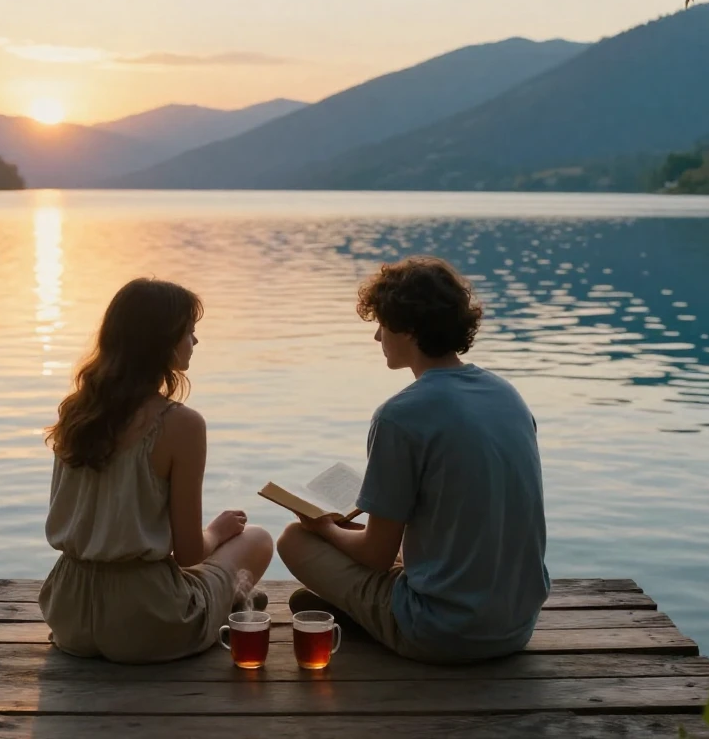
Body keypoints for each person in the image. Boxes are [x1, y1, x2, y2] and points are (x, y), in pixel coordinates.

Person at [277, 255, 550, 663]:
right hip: (515, 627)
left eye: (382, 326)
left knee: (293, 540)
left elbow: (376, 556)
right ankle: (366, 615)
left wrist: (324, 527)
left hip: (442, 633)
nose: (377, 339)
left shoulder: (399, 415)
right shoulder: (507, 395)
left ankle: (379, 622)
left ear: (407, 328)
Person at [38, 278, 273, 663]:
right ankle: (227, 600)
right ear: (161, 342)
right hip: (148, 620)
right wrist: (218, 530)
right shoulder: (181, 424)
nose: (194, 343)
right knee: (259, 539)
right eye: (189, 333)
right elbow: (189, 553)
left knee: (203, 573)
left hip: (69, 612)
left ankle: (227, 598)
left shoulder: (75, 413)